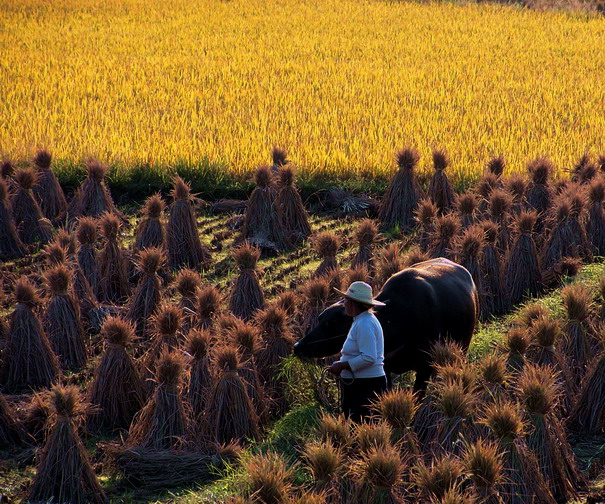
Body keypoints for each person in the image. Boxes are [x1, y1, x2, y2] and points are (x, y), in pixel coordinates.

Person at [327, 281, 387, 422]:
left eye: (346, 300)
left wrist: (342, 366)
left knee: (361, 426)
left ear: (354, 304)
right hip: (361, 384)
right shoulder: (362, 320)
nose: (344, 303)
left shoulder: (365, 324)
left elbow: (369, 358)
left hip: (365, 386)